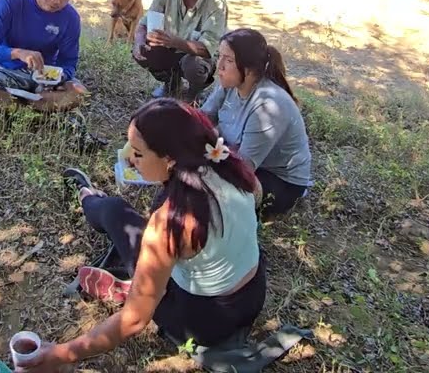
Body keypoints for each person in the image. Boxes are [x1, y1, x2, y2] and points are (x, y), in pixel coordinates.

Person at [21, 100, 265, 372]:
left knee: (114, 211)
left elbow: (135, 320)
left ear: (170, 159)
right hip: (251, 296)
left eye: (137, 153)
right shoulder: (230, 166)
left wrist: (60, 355)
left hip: (202, 320)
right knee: (128, 223)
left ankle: (87, 197)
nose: (128, 158)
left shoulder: (169, 223)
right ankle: (100, 216)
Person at [201, 28, 313, 217]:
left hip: (278, 179)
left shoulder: (268, 105)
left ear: (250, 68)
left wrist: (200, 164)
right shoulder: (229, 85)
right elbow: (201, 120)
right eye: (219, 56)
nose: (218, 65)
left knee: (213, 195)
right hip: (236, 154)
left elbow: (243, 169)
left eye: (228, 60)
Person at [134, 0, 229, 102]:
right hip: (170, 50)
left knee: (194, 65)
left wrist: (174, 41)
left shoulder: (216, 2)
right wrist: (139, 40)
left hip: (198, 56)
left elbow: (207, 48)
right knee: (145, 50)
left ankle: (194, 92)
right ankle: (171, 83)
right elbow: (144, 24)